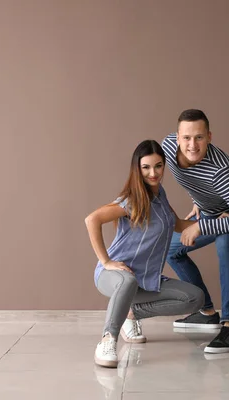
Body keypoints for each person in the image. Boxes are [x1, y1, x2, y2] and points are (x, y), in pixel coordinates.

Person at [85, 139, 205, 368]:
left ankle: (130, 314)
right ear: (137, 169)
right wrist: (106, 261)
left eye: (158, 166)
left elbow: (176, 224)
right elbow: (92, 219)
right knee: (127, 280)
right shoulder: (132, 200)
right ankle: (107, 340)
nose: (153, 173)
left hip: (146, 280)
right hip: (114, 277)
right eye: (146, 167)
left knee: (195, 298)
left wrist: (211, 220)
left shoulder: (160, 195)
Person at [162, 109, 229, 354]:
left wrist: (203, 225)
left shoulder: (222, 170)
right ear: (177, 137)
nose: (192, 145)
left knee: (226, 245)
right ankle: (206, 312)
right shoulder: (167, 148)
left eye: (199, 138)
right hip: (208, 211)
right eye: (186, 138)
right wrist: (200, 201)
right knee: (170, 249)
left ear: (209, 137)